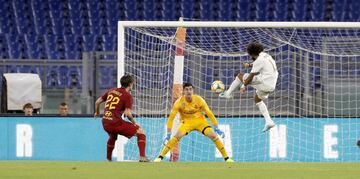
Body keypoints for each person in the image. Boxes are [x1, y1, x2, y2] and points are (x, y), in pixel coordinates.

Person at [154, 83, 234, 162]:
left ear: (193, 91)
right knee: (176, 136)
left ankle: (226, 158)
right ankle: (160, 157)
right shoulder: (178, 102)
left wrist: (216, 127)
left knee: (213, 136)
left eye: (190, 89)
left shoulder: (199, 100)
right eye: (186, 89)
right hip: (187, 123)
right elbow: (171, 118)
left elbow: (209, 113)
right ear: (183, 91)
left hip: (200, 122)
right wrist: (168, 134)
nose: (189, 91)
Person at [220, 42, 278, 132]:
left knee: (240, 76)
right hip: (272, 84)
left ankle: (228, 93)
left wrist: (243, 86)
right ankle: (269, 121)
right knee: (257, 99)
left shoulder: (259, 60)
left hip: (264, 82)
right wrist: (249, 65)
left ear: (251, 53)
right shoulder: (266, 55)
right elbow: (259, 64)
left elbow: (251, 76)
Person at [94, 74, 149, 162]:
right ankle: (142, 157)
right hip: (115, 123)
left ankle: (108, 159)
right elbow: (127, 113)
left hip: (105, 122)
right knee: (141, 132)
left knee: (113, 136)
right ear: (130, 84)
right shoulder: (127, 95)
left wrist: (97, 112)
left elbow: (97, 102)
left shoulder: (111, 90)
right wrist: (134, 123)